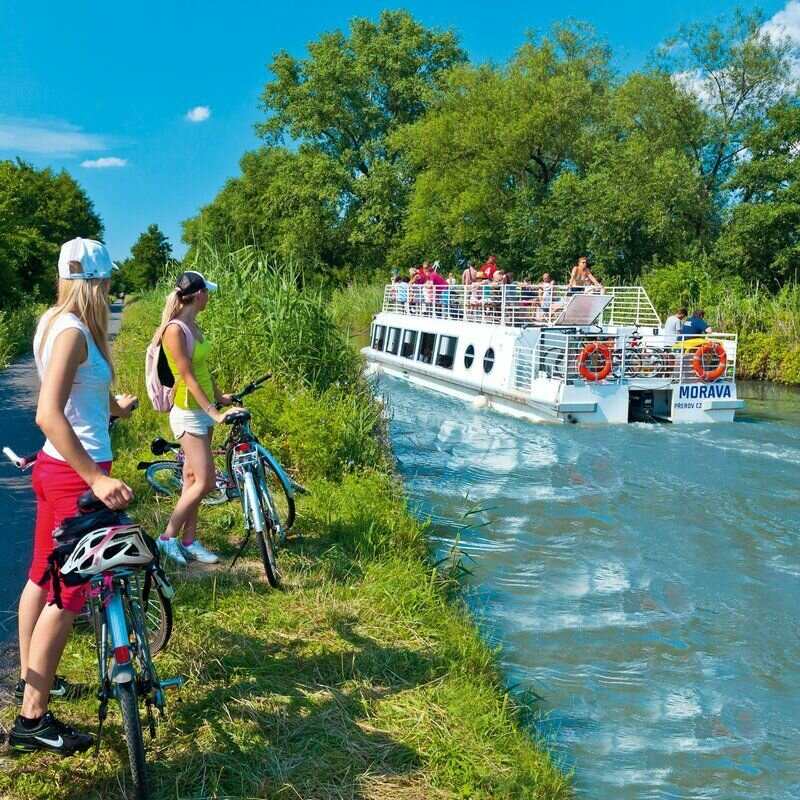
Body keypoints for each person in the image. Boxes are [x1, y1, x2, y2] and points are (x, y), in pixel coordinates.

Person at [10, 238, 137, 755]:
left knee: (41, 576)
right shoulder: (73, 331)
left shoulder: (53, 321)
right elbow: (47, 412)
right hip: (73, 478)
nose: (108, 292)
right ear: (97, 282)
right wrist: (96, 479)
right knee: (70, 594)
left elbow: (75, 404)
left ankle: (33, 679)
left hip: (56, 469)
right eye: (105, 284)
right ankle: (33, 718)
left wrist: (114, 410)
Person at [151, 271, 245, 566]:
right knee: (205, 482)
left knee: (191, 479)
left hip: (202, 410)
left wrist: (220, 397)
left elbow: (204, 371)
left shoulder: (194, 327)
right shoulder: (174, 330)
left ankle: (190, 541)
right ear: (199, 294)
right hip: (189, 412)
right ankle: (166, 538)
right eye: (208, 293)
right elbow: (188, 377)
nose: (209, 298)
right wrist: (214, 413)